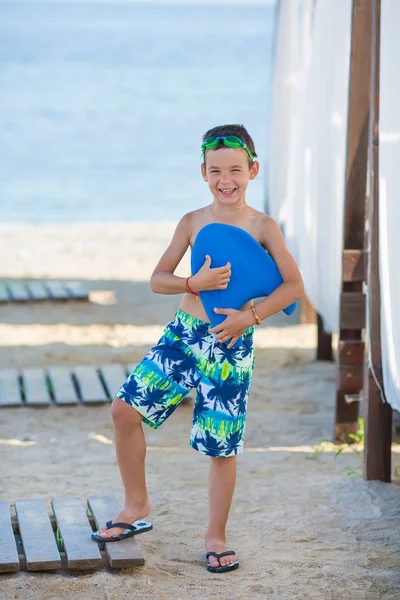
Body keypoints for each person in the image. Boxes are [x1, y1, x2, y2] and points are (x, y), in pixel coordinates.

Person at [92, 124, 304, 573]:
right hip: (185, 335)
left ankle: (215, 536)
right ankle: (136, 504)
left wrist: (251, 317)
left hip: (231, 343)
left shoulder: (264, 227)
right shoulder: (192, 222)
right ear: (203, 173)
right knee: (124, 411)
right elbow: (157, 279)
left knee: (220, 446)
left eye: (235, 170)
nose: (226, 179)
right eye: (215, 171)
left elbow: (292, 286)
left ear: (253, 170)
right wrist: (193, 283)